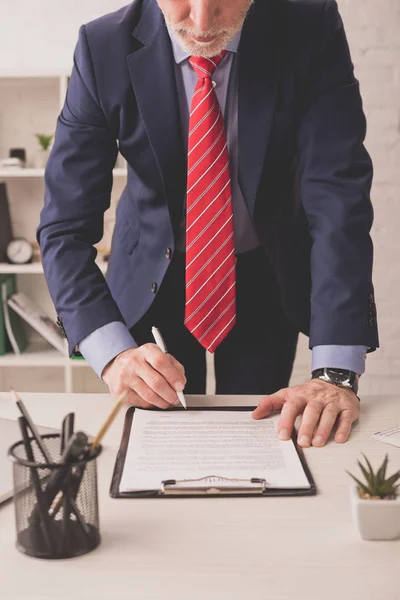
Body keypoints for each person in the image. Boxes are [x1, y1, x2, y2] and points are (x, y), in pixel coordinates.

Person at [37, 0, 379, 449]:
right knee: (161, 446)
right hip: (149, 281)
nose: (200, 22)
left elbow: (338, 198)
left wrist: (335, 373)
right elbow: (64, 225)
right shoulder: (103, 47)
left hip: (263, 274)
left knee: (259, 438)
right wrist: (112, 354)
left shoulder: (309, 29)